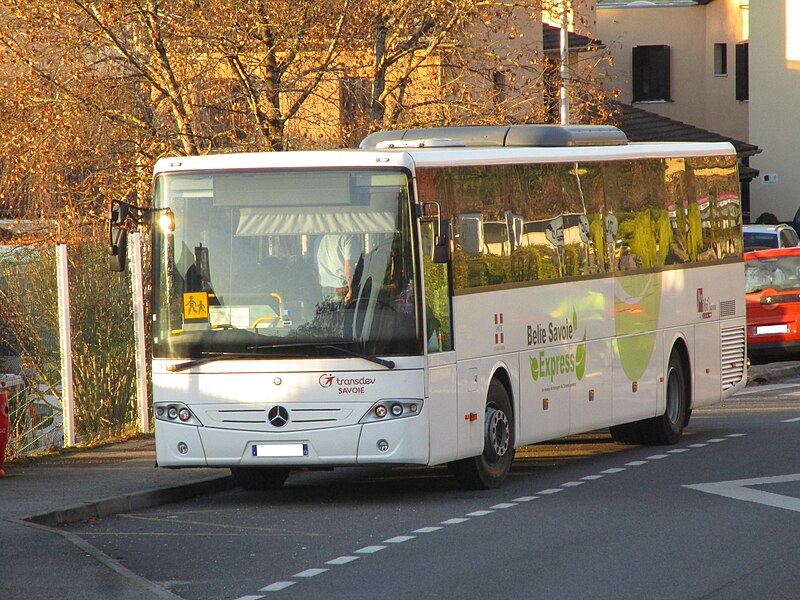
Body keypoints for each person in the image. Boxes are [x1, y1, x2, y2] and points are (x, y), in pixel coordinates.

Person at [315, 233, 362, 302]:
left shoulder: (319, 240)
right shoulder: (348, 237)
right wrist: (351, 289)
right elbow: (348, 266)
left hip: (325, 288)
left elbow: (316, 265)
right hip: (342, 287)